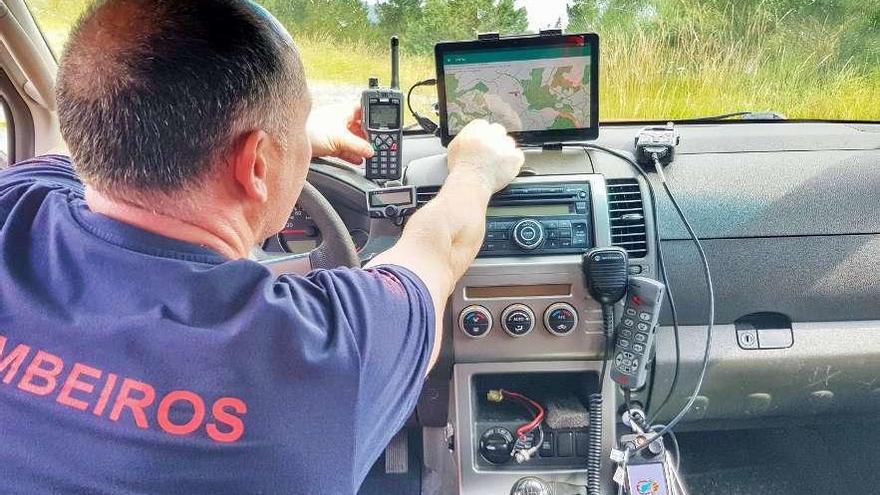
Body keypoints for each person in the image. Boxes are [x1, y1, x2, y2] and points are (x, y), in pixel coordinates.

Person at [0, 0, 523, 494]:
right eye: (290, 133)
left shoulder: (17, 200)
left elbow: (101, 139)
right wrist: (477, 167)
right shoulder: (330, 350)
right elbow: (441, 246)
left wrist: (287, 138)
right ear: (255, 166)